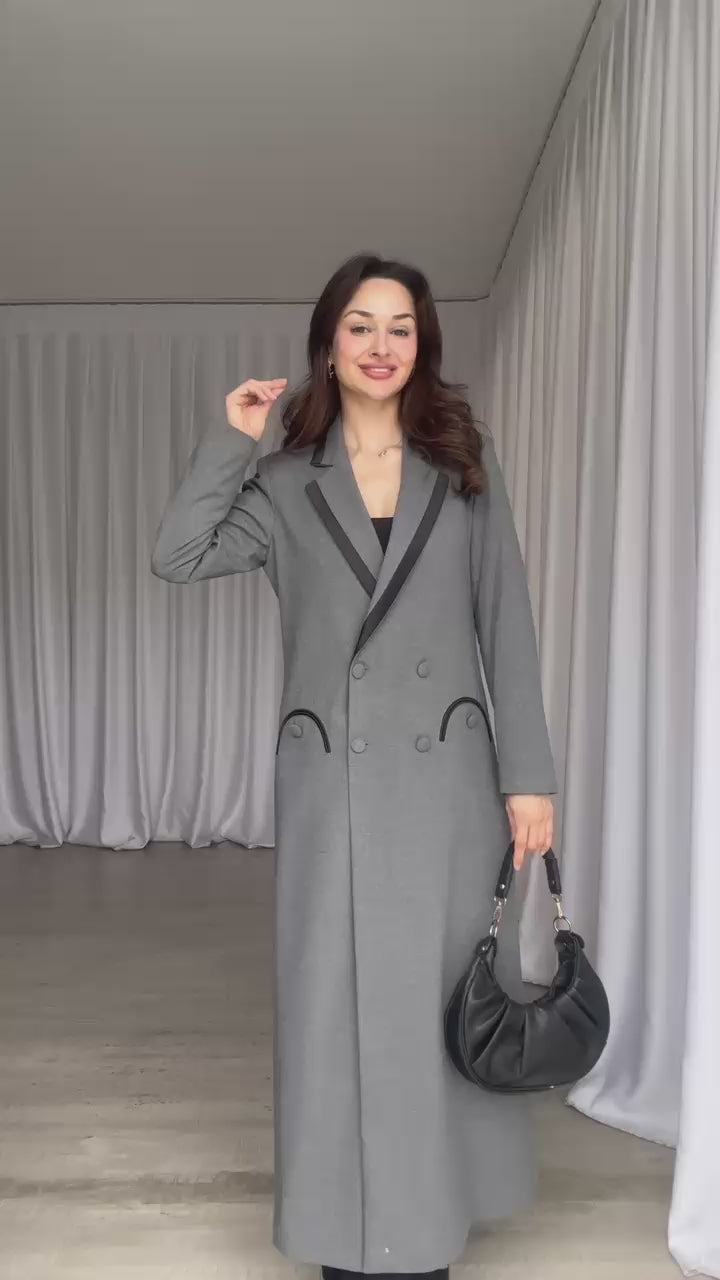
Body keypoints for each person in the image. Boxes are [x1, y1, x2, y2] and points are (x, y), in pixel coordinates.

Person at [151, 253, 558, 1280]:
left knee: (439, 998)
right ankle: (348, 1233)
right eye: (361, 326)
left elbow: (506, 618)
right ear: (328, 344)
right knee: (331, 1006)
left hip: (448, 781)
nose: (382, 345)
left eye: (401, 328)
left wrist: (530, 777)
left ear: (423, 346)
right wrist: (234, 438)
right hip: (331, 781)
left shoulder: (462, 462)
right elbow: (178, 554)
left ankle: (425, 1226)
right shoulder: (288, 482)